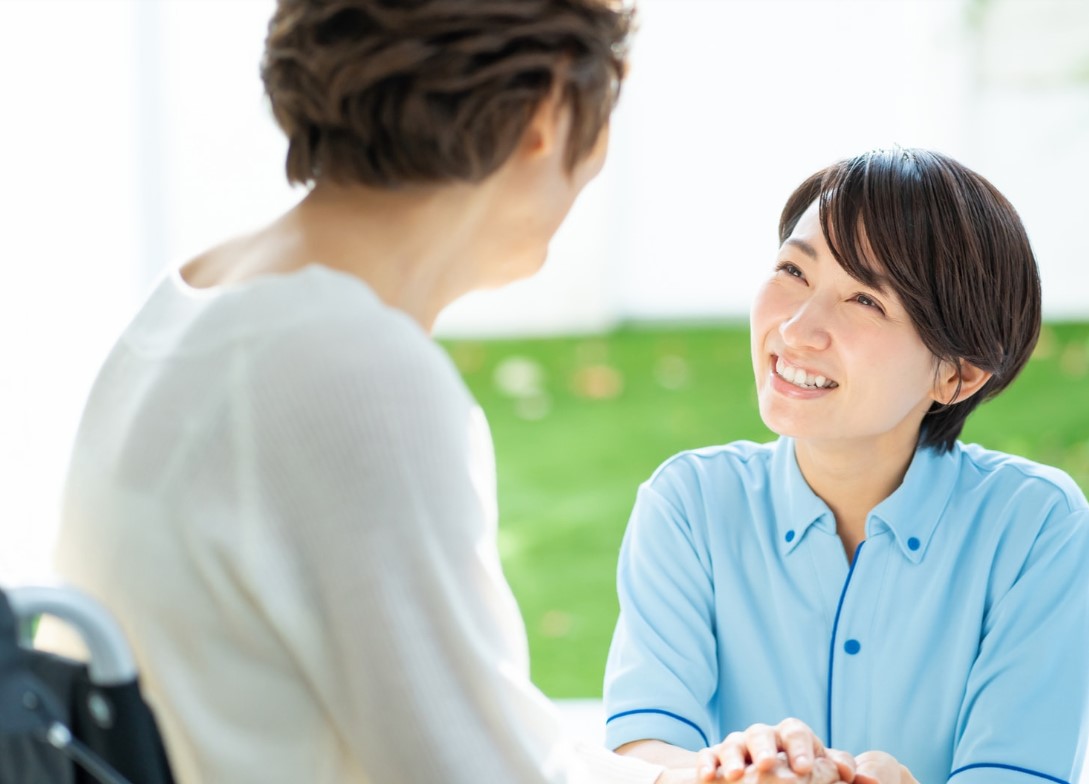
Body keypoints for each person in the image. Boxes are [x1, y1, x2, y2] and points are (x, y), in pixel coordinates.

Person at [41, 1, 691, 782]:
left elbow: (482, 728)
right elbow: (467, 770)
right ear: (547, 115)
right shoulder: (347, 370)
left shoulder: (196, 299)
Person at [603, 148, 1089, 784]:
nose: (797, 329)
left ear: (958, 374)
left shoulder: (1035, 527)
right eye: (793, 271)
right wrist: (724, 775)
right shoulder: (690, 503)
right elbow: (642, 749)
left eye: (864, 299)